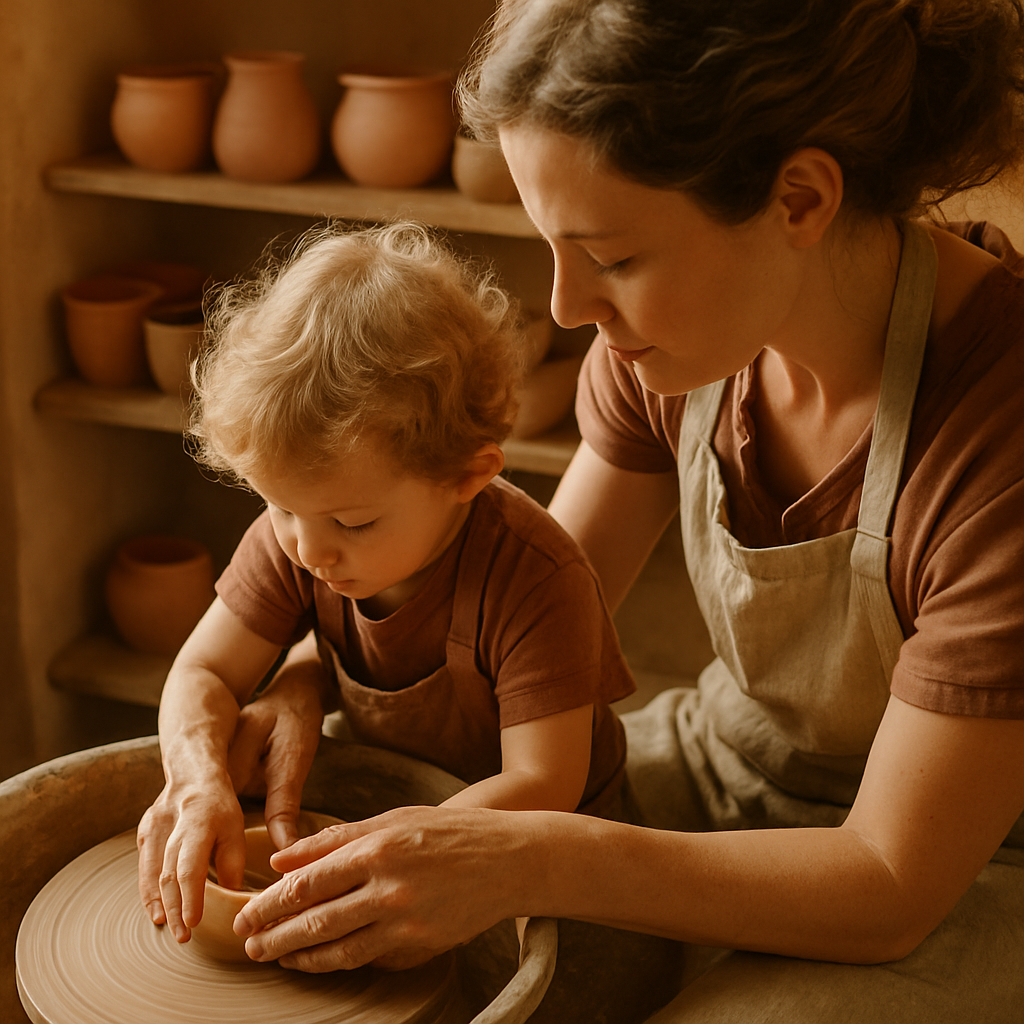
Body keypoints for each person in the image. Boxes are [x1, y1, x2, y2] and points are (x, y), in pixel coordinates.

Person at [198, 1, 1024, 1019]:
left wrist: (533, 858)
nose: (564, 307)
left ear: (799, 198)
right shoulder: (679, 348)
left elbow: (889, 883)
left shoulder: (1000, 445)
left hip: (961, 871)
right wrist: (302, 674)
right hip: (736, 765)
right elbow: (508, 613)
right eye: (552, 247)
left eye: (614, 258)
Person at [135, 221, 636, 946]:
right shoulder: (307, 533)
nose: (309, 550)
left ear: (468, 476)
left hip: (550, 866)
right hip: (390, 802)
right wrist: (197, 776)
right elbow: (205, 669)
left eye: (354, 523)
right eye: (277, 507)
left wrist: (370, 853)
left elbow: (543, 787)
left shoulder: (536, 576)